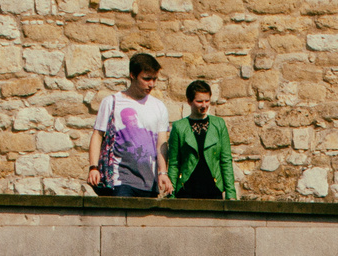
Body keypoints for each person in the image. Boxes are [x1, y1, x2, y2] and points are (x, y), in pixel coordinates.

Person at [86, 53, 173, 198]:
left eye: (154, 79)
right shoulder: (112, 102)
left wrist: (163, 172)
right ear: (132, 75)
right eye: (146, 79)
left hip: (149, 181)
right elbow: (97, 135)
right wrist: (93, 167)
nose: (151, 84)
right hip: (120, 179)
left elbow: (161, 143)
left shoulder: (159, 106)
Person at [167, 80, 237, 200]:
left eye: (207, 101)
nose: (204, 105)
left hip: (213, 189)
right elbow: (174, 163)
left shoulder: (219, 124)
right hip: (186, 189)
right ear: (189, 101)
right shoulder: (179, 127)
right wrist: (171, 195)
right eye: (199, 101)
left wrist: (231, 194)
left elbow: (225, 160)